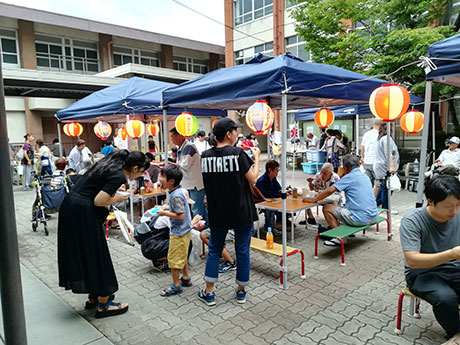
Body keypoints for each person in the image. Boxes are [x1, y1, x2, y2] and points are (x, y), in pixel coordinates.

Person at [57, 150, 149, 318]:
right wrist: (118, 199)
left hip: (71, 207)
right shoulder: (118, 176)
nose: (140, 176)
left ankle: (94, 295)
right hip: (83, 213)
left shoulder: (106, 166)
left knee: (85, 252)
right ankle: (104, 303)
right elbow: (99, 201)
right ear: (136, 168)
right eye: (142, 172)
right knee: (96, 253)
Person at [198, 118, 260, 306]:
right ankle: (241, 292)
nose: (236, 135)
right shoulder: (238, 153)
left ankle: (209, 293)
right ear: (228, 134)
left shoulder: (205, 156)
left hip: (217, 211)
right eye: (235, 131)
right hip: (241, 210)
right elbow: (254, 179)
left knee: (214, 250)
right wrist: (257, 157)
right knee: (242, 250)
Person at [399, 175, 460, 345]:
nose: (454, 211)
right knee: (445, 298)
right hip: (422, 273)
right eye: (448, 207)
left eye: (458, 205)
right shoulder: (412, 220)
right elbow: (413, 260)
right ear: (430, 201)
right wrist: (452, 254)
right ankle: (457, 334)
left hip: (454, 268)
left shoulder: (458, 214)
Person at [303, 155, 378, 246]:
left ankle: (339, 238)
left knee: (327, 208)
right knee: (338, 206)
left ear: (345, 168)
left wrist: (314, 199)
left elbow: (331, 190)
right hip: (373, 216)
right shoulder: (365, 176)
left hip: (360, 218)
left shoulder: (349, 177)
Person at [157, 165, 193, 297]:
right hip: (184, 230)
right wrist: (167, 208)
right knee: (181, 256)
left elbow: (181, 215)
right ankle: (186, 278)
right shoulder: (177, 192)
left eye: (162, 176)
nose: (160, 179)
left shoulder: (176, 195)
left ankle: (176, 285)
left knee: (173, 259)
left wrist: (164, 213)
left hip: (179, 232)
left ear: (171, 181)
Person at [168, 127, 208, 226]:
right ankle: (206, 228)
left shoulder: (189, 147)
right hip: (187, 183)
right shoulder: (181, 148)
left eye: (173, 137)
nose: (172, 139)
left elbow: (184, 165)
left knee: (197, 210)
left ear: (180, 136)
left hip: (194, 184)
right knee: (195, 209)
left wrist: (168, 163)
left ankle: (202, 231)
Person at [301, 163, 341, 227]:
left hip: (332, 197)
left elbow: (337, 194)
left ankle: (334, 222)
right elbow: (312, 189)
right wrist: (310, 182)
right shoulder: (318, 175)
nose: (322, 175)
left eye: (325, 173)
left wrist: (323, 196)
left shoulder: (335, 178)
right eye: (321, 172)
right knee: (306, 197)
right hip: (319, 196)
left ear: (330, 174)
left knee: (333, 202)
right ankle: (311, 218)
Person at [373, 124, 399, 210]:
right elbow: (389, 154)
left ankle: (377, 203)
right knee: (387, 188)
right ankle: (385, 208)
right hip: (385, 167)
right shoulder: (386, 139)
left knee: (383, 186)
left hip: (379, 166)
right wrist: (392, 167)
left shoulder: (379, 139)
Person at [255, 160, 282, 231]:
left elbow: (278, 188)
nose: (277, 172)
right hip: (260, 202)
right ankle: (269, 229)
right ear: (270, 170)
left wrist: (283, 192)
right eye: (276, 169)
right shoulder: (262, 181)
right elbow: (267, 194)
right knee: (270, 209)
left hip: (269, 200)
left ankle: (279, 223)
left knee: (283, 205)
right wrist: (279, 194)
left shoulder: (273, 178)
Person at [361, 118, 384, 196]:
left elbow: (362, 147)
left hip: (367, 161)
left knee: (368, 182)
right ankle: (373, 199)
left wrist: (362, 157)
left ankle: (366, 198)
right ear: (381, 125)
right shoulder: (381, 135)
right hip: (376, 162)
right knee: (378, 182)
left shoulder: (366, 134)